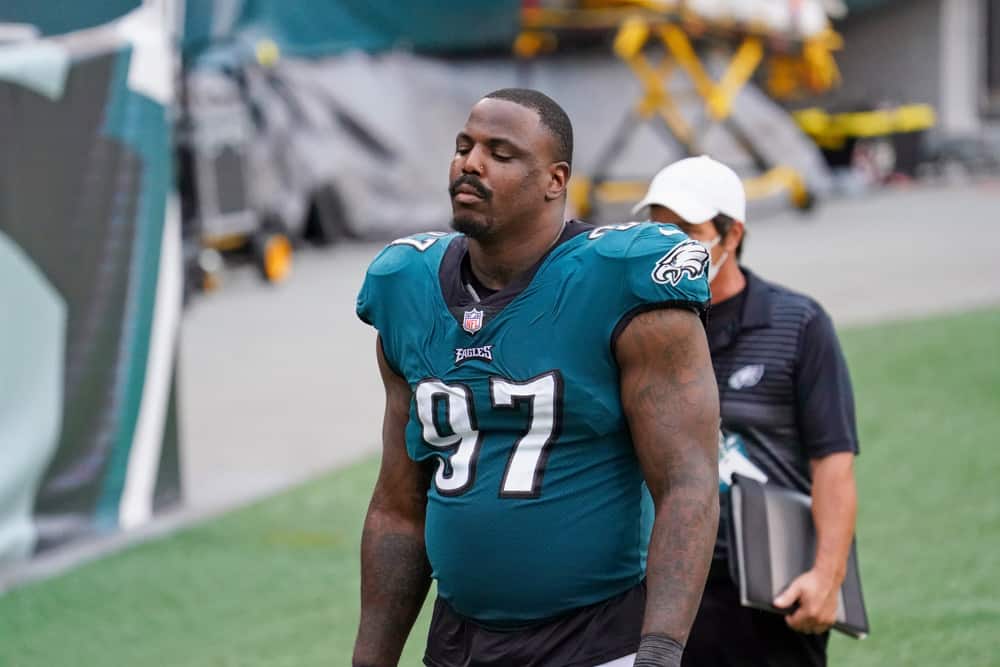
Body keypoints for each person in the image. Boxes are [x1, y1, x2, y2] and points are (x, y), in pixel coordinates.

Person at [353, 89, 720, 667]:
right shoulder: (407, 287)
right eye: (463, 146)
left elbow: (687, 483)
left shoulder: (621, 281)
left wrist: (659, 653)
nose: (470, 163)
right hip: (460, 643)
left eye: (500, 152)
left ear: (556, 179)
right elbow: (400, 506)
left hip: (597, 639)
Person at [632, 156, 860, 667]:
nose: (667, 246)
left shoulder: (798, 323)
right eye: (656, 230)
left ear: (731, 235)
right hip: (664, 585)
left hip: (770, 586)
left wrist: (827, 576)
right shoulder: (635, 327)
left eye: (685, 230)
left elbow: (834, 462)